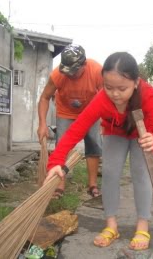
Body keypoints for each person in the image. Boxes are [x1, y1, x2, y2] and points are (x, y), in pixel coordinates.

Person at [44, 52, 153, 250]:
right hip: (114, 133)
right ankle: (111, 225)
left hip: (143, 134)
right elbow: (76, 130)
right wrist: (55, 162)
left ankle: (142, 226)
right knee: (110, 173)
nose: (115, 94)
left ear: (136, 82)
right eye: (109, 87)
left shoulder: (148, 94)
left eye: (122, 88)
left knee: (141, 175)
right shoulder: (102, 99)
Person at [37, 44, 103, 198]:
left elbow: (106, 96)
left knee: (94, 144)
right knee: (62, 146)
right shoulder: (57, 75)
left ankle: (92, 184)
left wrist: (105, 122)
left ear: (84, 64)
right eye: (67, 71)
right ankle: (59, 186)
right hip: (65, 112)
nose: (70, 75)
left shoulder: (96, 71)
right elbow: (44, 98)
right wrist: (42, 124)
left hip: (91, 112)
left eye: (74, 71)